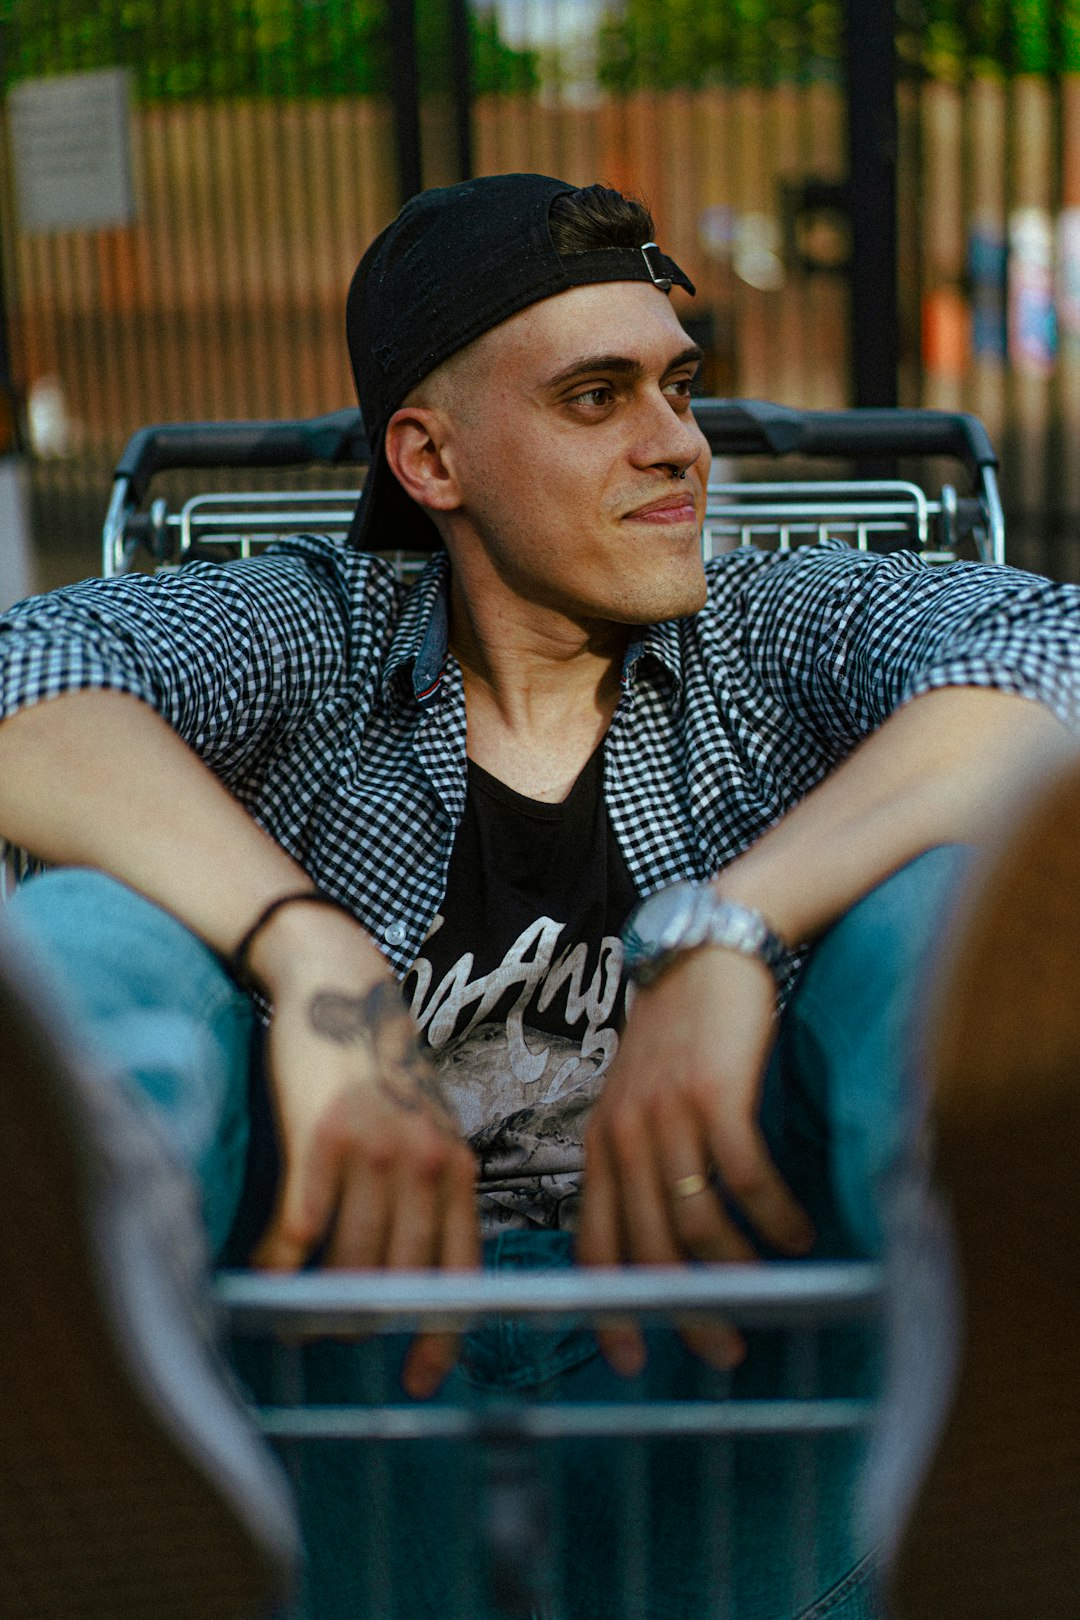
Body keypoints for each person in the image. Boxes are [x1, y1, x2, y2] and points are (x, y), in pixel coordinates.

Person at [0, 171, 1078, 1618]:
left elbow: (1047, 653)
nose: (678, 444)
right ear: (431, 459)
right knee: (84, 937)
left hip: (734, 1351)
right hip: (344, 1371)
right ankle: (60, 1386)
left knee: (944, 906)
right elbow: (26, 678)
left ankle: (1016, 1380)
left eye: (680, 388)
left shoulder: (775, 625)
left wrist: (731, 934)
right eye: (596, 399)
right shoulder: (310, 632)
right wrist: (307, 946)